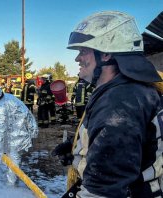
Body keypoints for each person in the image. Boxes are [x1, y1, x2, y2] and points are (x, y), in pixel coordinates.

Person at [53, 11, 163, 197]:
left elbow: (103, 190)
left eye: (83, 51)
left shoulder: (121, 104)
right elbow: (130, 143)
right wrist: (79, 147)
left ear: (105, 54)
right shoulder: (132, 92)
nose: (77, 58)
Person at [0, 79, 38, 186]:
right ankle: (11, 179)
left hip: (18, 132)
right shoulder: (6, 97)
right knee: (12, 156)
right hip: (19, 129)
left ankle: (11, 184)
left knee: (13, 157)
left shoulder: (0, 107)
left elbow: (1, 131)